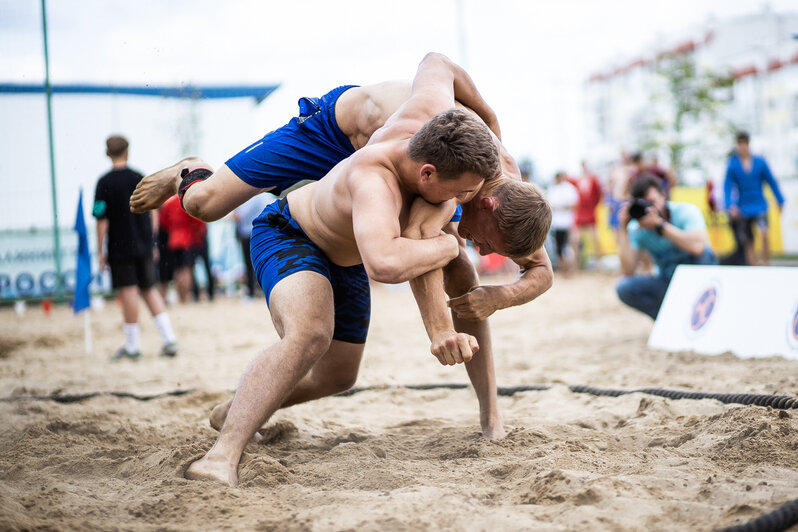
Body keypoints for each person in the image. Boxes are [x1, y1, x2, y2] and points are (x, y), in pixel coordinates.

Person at [131, 54, 554, 449]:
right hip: (333, 133)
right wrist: (491, 118)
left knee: (457, 274)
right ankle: (189, 171)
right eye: (487, 241)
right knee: (207, 205)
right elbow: (437, 61)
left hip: (381, 174)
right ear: (484, 201)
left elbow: (540, 270)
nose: (482, 247)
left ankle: (490, 416)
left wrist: (499, 296)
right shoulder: (451, 155)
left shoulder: (510, 195)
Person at [92, 135, 178, 359]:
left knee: (128, 290)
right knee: (149, 289)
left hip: (120, 247)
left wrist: (100, 250)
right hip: (143, 244)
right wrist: (153, 241)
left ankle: (132, 347)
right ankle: (169, 339)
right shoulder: (140, 178)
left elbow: (101, 220)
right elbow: (153, 212)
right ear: (128, 152)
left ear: (107, 154)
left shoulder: (103, 183)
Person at [616, 175, 716, 319]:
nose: (649, 209)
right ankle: (667, 321)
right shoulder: (637, 229)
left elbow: (698, 248)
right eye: (643, 204)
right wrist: (623, 230)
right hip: (668, 281)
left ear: (663, 196)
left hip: (700, 280)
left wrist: (660, 226)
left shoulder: (684, 211)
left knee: (706, 254)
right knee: (625, 288)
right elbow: (628, 271)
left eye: (651, 202)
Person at [723, 131, 785, 266]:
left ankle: (766, 263)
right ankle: (753, 266)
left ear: (748, 144)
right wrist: (730, 205)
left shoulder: (760, 162)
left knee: (764, 233)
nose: (742, 147)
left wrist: (780, 200)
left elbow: (771, 181)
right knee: (748, 240)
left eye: (744, 144)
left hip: (759, 204)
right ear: (737, 145)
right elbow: (727, 186)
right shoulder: (732, 165)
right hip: (743, 207)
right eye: (740, 144)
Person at [158, 195, 206, 303]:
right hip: (187, 239)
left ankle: (180, 296)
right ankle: (185, 297)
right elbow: (198, 221)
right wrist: (196, 233)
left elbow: (163, 222)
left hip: (173, 240)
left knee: (177, 270)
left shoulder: (168, 204)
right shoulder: (186, 202)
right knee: (187, 269)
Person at [233, 193, 272, 298]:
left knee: (250, 265)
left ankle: (251, 291)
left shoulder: (251, 197)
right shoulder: (266, 195)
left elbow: (240, 216)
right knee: (263, 262)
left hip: (249, 233)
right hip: (263, 232)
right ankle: (262, 290)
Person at [568, 161, 603, 268]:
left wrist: (593, 206)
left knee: (594, 237)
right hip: (580, 211)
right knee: (575, 239)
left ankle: (598, 263)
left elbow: (598, 194)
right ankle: (576, 264)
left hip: (589, 210)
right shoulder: (577, 179)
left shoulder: (593, 179)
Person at [547, 171, 578, 275]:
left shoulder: (569, 188)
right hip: (557, 223)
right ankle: (563, 269)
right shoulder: (553, 189)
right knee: (559, 248)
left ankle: (572, 269)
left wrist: (561, 207)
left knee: (569, 247)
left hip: (567, 222)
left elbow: (575, 204)